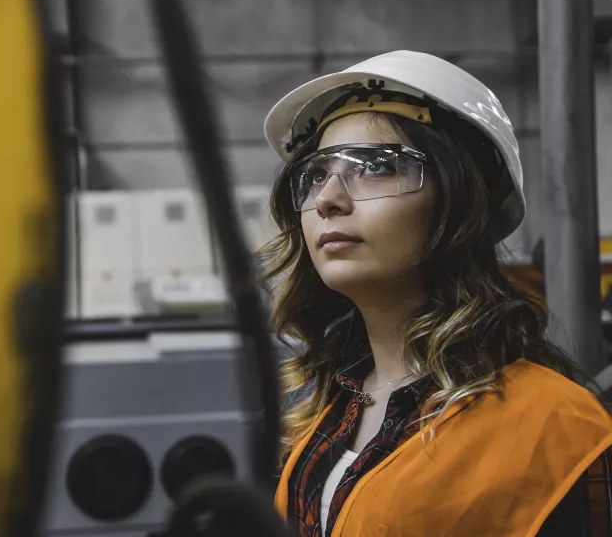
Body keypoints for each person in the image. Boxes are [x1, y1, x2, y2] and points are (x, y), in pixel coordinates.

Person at [261, 51, 612, 537]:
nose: (327, 200)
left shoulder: (556, 425)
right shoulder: (326, 410)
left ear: (457, 201)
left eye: (376, 166)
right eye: (316, 174)